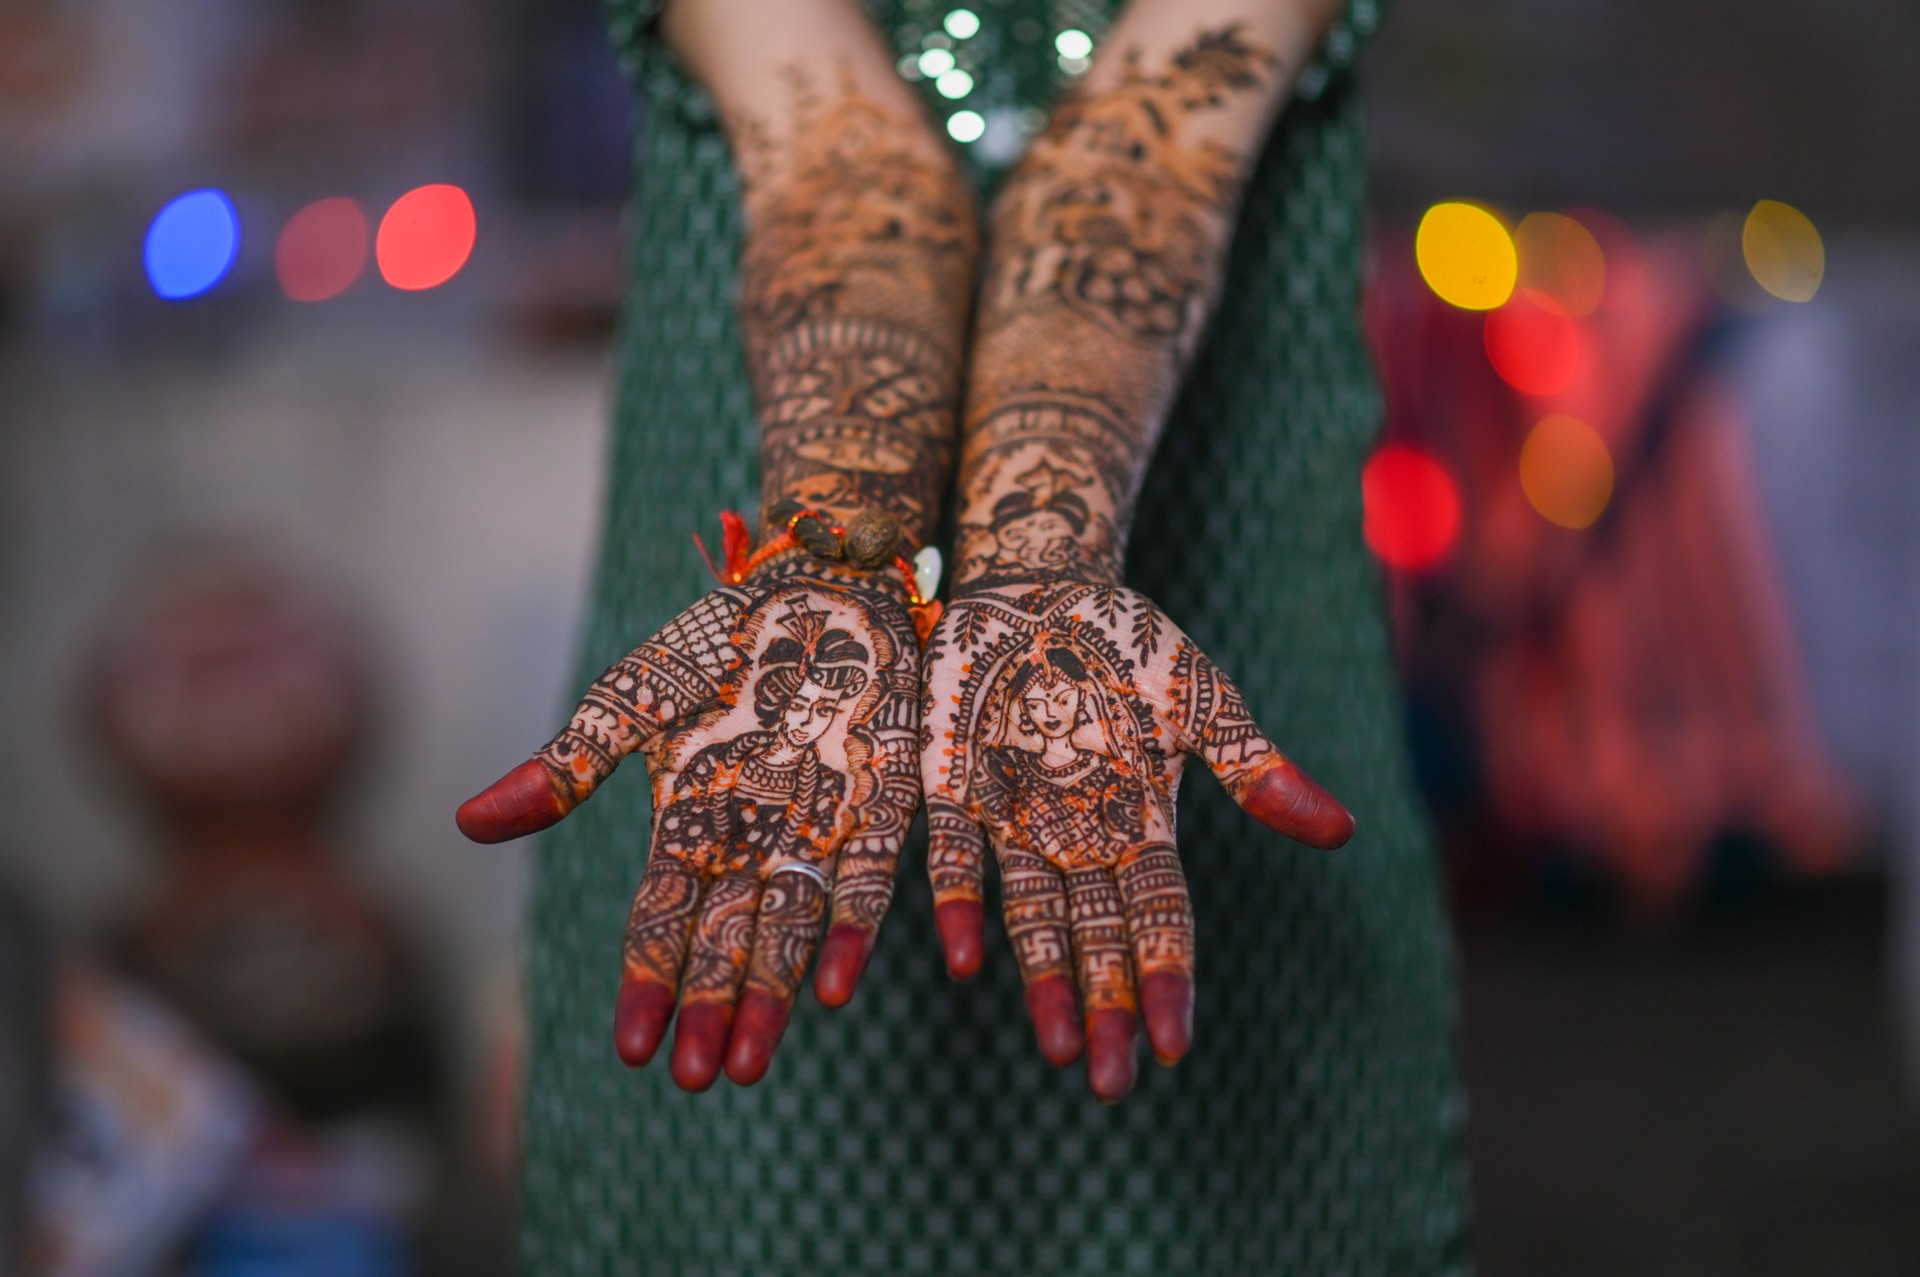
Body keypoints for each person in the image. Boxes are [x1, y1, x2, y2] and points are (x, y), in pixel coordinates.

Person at [462, 0, 1467, 1271]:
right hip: (768, 649)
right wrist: (838, 560)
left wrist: (1035, 569)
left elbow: (1143, 160)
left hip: (1214, 532)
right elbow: (839, 161)